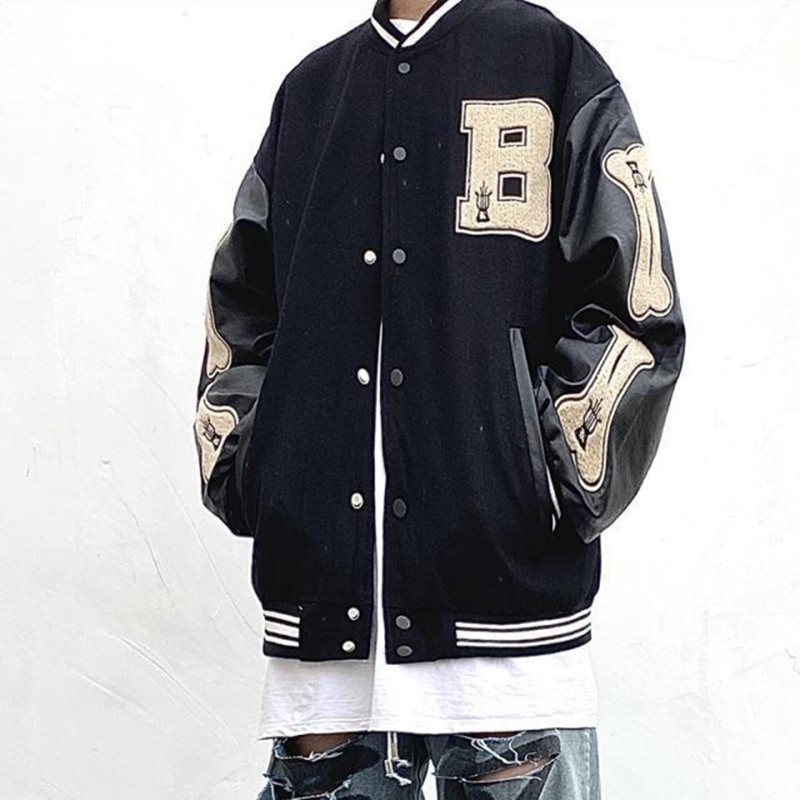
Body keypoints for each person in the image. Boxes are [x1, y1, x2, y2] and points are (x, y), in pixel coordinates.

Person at [192, 0, 687, 797]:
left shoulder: (550, 60)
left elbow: (636, 305)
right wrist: (260, 471)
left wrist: (548, 480)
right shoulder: (311, 92)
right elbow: (242, 308)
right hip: (326, 621)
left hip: (507, 628)